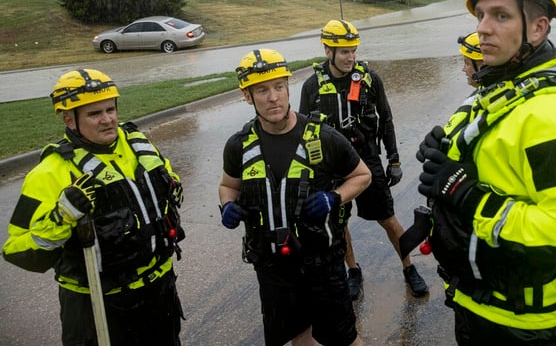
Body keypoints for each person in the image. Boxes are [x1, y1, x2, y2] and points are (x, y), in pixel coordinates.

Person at [416, 0, 556, 346]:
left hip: (524, 328)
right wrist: (446, 148)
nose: (483, 29)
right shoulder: (503, 87)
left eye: (501, 16)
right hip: (477, 305)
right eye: (481, 15)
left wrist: (468, 196)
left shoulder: (550, 114)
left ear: (538, 28)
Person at [2, 68, 185, 346]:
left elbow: (167, 186)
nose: (108, 119)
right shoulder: (50, 173)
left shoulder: (138, 144)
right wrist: (62, 217)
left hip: (160, 292)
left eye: (110, 109)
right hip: (97, 306)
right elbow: (18, 252)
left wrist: (172, 185)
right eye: (94, 113)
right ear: (69, 120)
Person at [218, 48, 371, 346]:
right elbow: (228, 185)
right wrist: (227, 205)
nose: (273, 97)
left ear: (288, 88)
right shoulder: (239, 146)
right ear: (247, 96)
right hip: (274, 269)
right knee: (298, 337)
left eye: (278, 87)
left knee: (345, 339)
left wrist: (334, 198)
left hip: (323, 264)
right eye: (262, 90)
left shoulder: (324, 137)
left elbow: (362, 176)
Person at [299, 19, 429, 299]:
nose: (351, 57)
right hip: (331, 167)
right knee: (340, 223)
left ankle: (408, 267)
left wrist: (393, 158)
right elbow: (304, 131)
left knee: (389, 220)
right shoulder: (312, 86)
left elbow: (387, 119)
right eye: (344, 52)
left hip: (367, 160)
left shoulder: (368, 79)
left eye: (353, 50)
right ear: (327, 51)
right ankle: (353, 270)